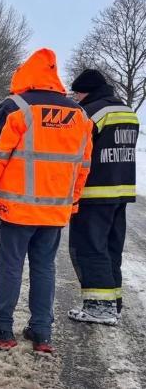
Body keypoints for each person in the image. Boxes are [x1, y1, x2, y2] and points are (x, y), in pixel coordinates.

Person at [0, 49, 94, 354]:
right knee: (44, 268)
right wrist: (72, 203)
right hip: (55, 211)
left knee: (10, 267)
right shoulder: (79, 115)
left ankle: (1, 327)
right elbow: (83, 165)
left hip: (16, 210)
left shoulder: (16, 107)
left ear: (24, 75)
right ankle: (41, 332)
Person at [67, 69, 139, 325]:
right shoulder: (127, 111)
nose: (75, 98)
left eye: (77, 93)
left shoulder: (90, 113)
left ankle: (99, 308)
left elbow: (76, 150)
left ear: (86, 91)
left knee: (89, 248)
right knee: (111, 249)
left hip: (93, 193)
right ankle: (114, 304)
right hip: (122, 191)